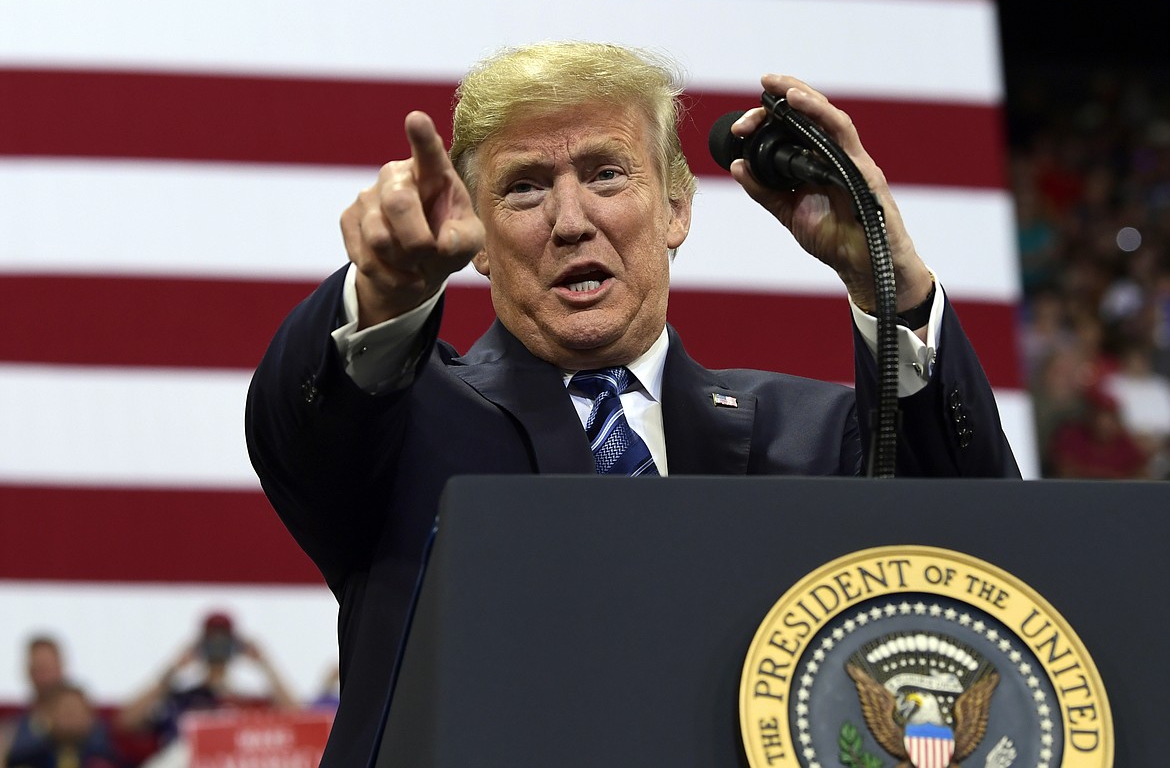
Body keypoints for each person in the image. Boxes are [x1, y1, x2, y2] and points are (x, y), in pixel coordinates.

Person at [245, 41, 1019, 765]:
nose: (572, 221)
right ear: (477, 238)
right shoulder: (406, 422)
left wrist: (896, 280)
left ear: (677, 208)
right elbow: (301, 424)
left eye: (607, 174)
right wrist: (379, 296)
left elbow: (990, 559)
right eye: (525, 188)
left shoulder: (816, 437)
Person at [116, 613, 298, 753]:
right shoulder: (179, 699)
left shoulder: (249, 703)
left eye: (224, 639)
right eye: (211, 639)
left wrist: (265, 664)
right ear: (199, 645)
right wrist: (172, 669)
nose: (218, 645)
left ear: (236, 645)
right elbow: (126, 721)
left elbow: (298, 719)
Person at [4, 685, 122, 768]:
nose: (70, 717)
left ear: (90, 718)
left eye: (75, 711)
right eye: (64, 711)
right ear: (48, 717)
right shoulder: (29, 758)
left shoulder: (107, 758)